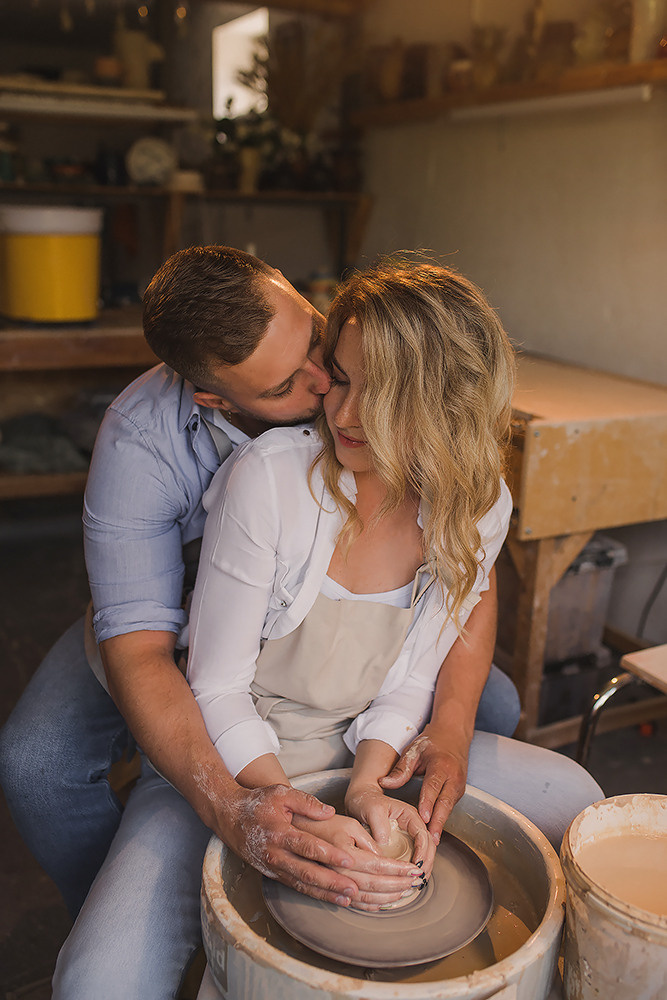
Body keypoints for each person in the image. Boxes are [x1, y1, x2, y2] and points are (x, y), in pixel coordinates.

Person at [0, 247, 523, 997]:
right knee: (39, 764)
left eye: (320, 347)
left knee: (490, 708)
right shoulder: (151, 444)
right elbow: (149, 653)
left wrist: (438, 730)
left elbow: (467, 582)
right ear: (218, 400)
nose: (325, 392)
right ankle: (130, 910)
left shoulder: (387, 395)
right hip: (180, 633)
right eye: (290, 385)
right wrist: (239, 809)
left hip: (343, 684)